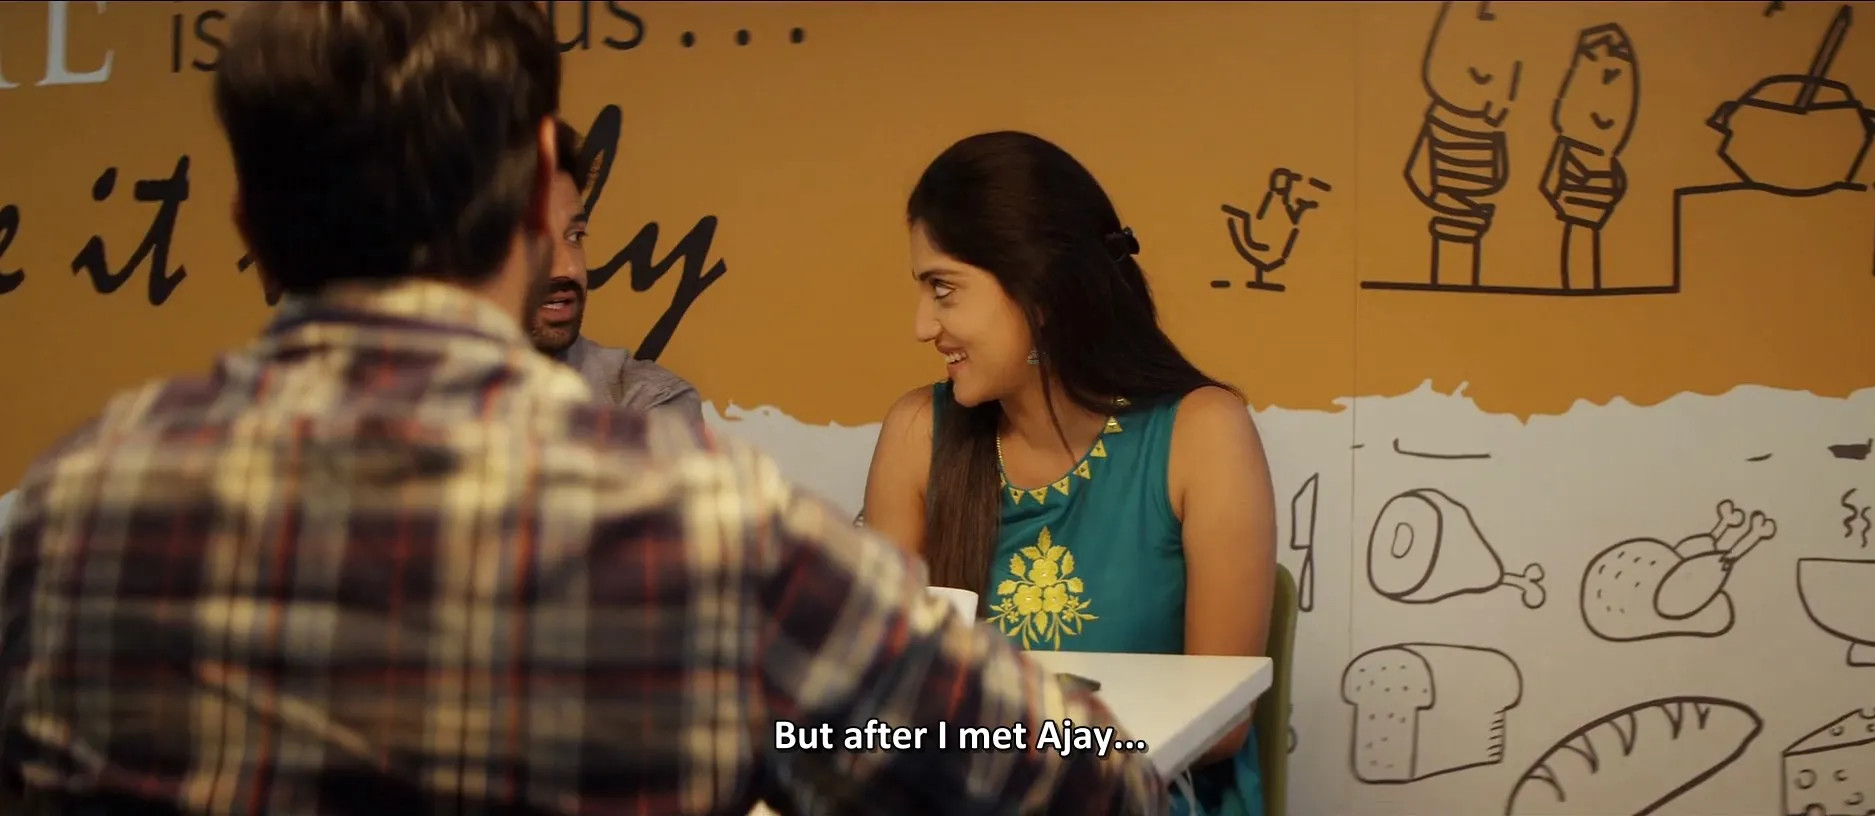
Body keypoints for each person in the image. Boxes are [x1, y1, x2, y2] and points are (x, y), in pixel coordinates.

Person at [0, 5, 1167, 813]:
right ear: (536, 198)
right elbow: (1081, 789)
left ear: (247, 221)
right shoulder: (701, 531)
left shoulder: (59, 523)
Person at [861, 131, 1279, 816]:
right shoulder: (917, 433)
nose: (922, 325)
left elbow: (1223, 724)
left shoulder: (1203, 432)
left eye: (944, 289)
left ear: (1040, 291)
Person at [528, 119, 705, 428]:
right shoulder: (435, 396)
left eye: (575, 236)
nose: (570, 268)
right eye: (535, 240)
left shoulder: (649, 404)